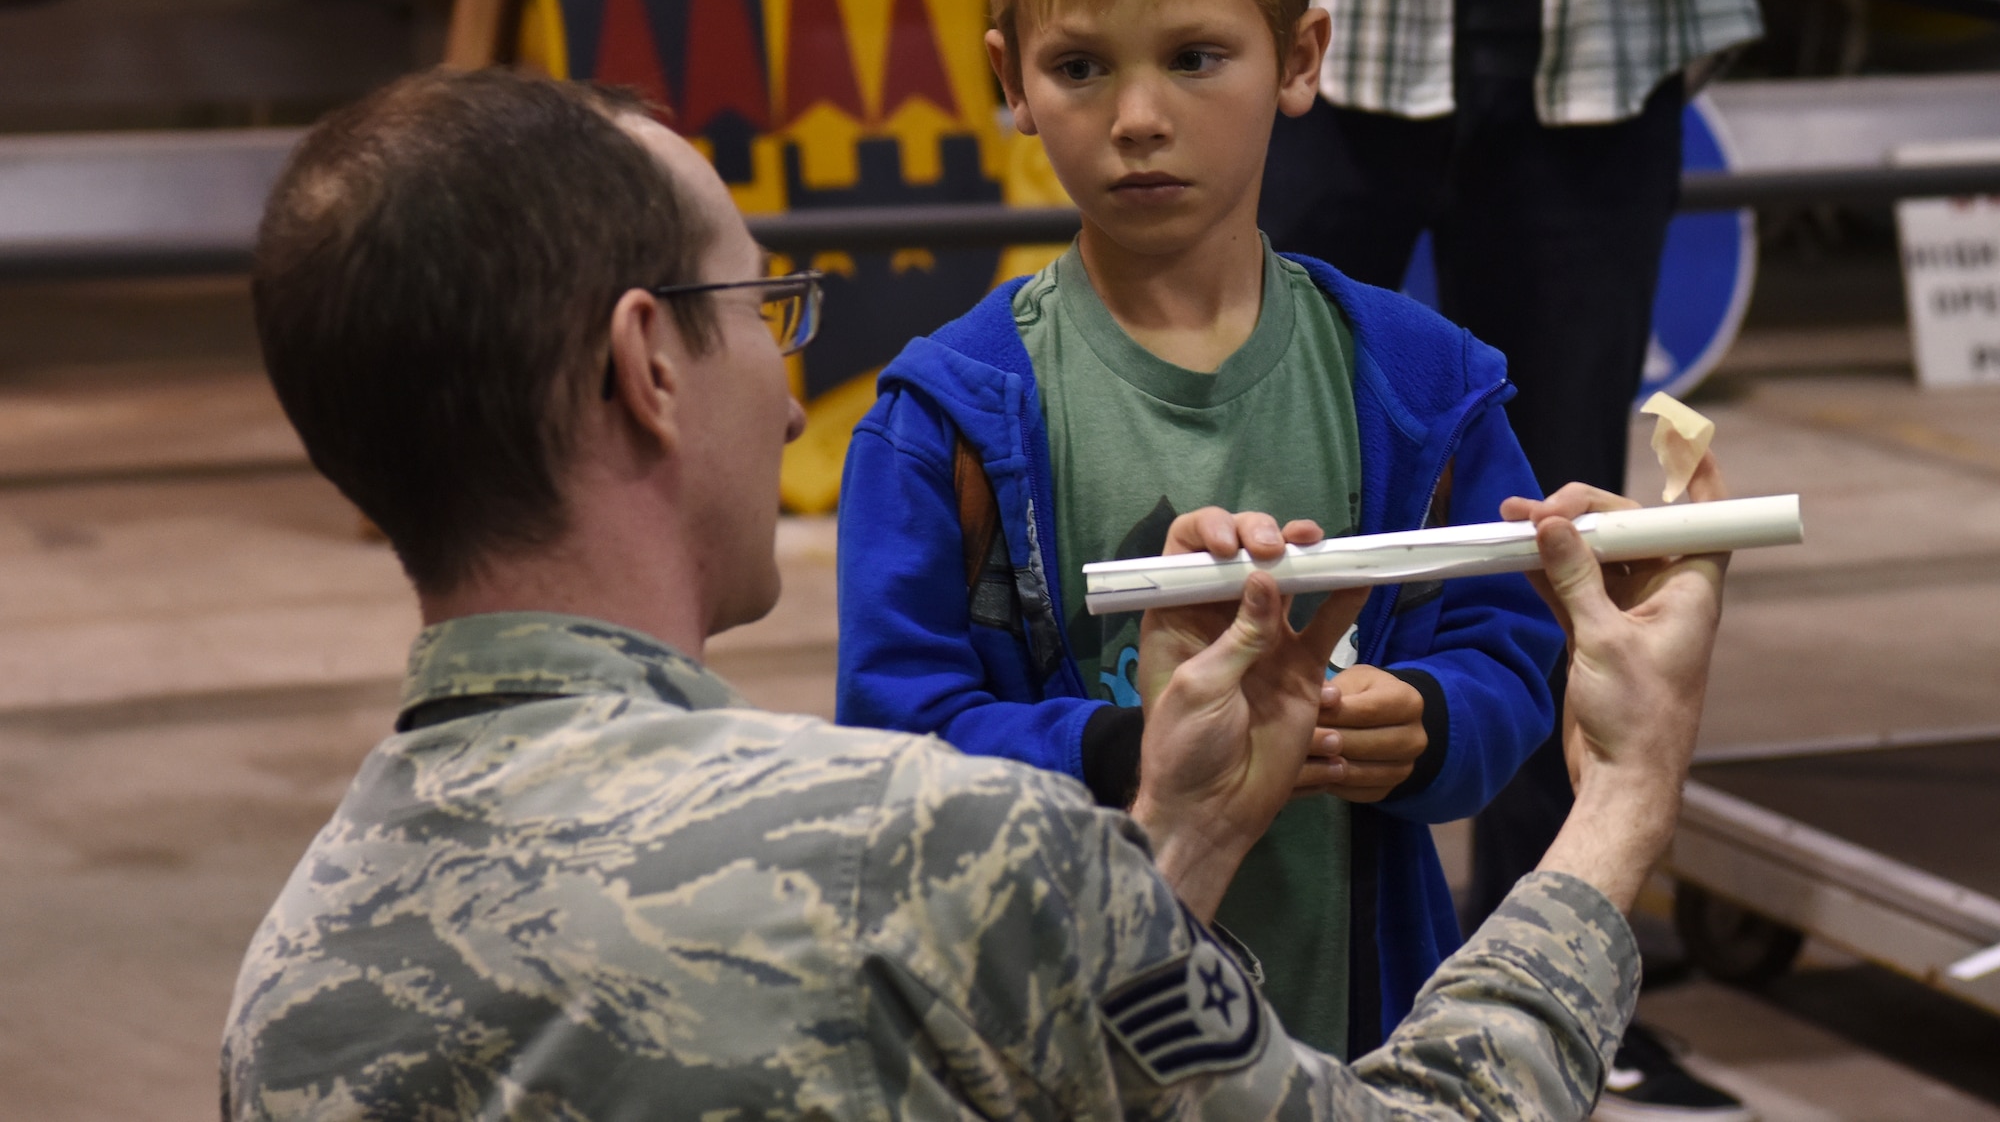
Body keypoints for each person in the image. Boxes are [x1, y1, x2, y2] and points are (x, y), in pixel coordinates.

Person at [221, 66, 1730, 1120]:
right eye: (761, 303)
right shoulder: (925, 850)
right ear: (649, 365)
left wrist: (1182, 834)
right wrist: (1619, 803)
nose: (794, 370)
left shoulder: (296, 982)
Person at [835, 0, 1559, 1059]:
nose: (1135, 117)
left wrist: (1429, 720)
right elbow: (897, 733)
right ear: (1009, 80)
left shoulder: (1423, 385)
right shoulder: (941, 416)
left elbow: (1511, 648)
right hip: (1053, 1035)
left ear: (1297, 58)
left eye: (1192, 56)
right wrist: (1125, 746)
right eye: (1079, 66)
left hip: (1354, 1040)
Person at [1257, 0, 1809, 1110]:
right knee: (1265, 494)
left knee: (1569, 529)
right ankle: (1252, 965)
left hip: (1603, 57)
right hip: (1324, 25)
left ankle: (1556, 975)